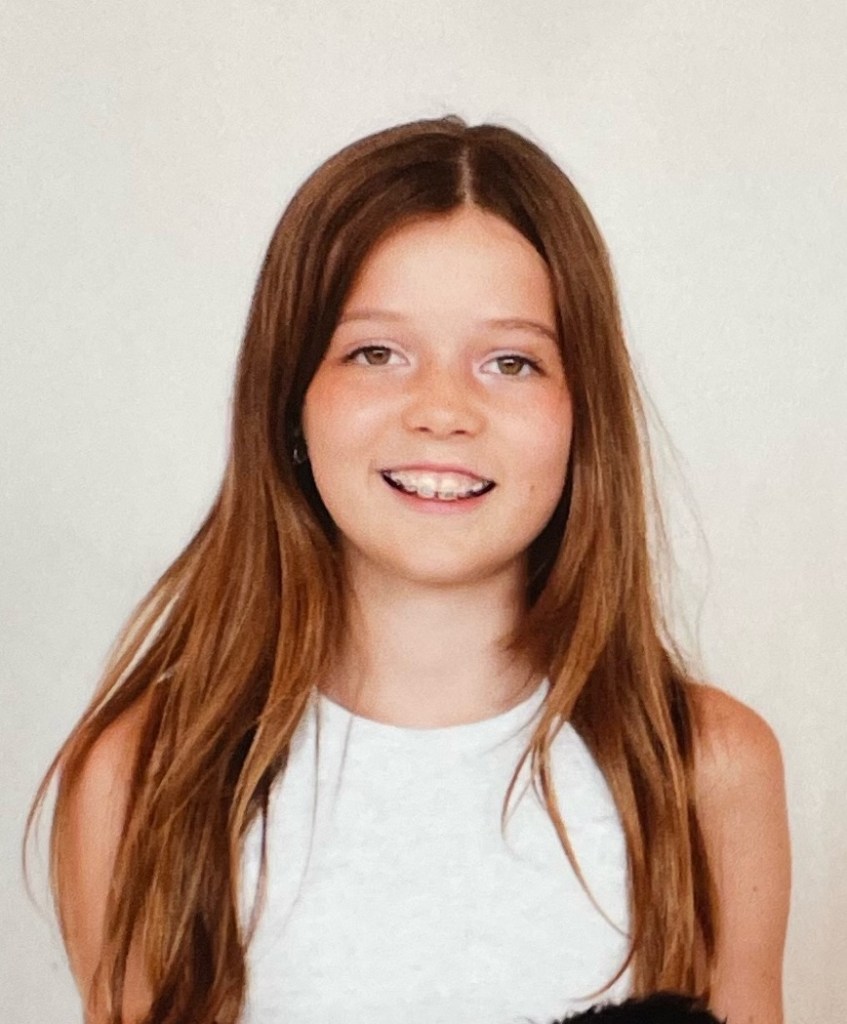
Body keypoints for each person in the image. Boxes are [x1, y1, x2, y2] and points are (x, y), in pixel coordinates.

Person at [26, 116, 790, 1024]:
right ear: (290, 400)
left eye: (511, 361)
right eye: (376, 353)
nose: (441, 410)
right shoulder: (143, 777)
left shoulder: (707, 767)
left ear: (581, 412)